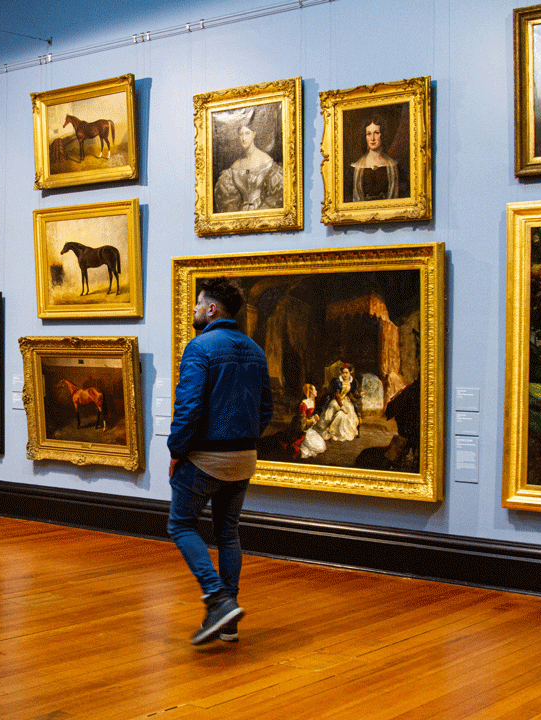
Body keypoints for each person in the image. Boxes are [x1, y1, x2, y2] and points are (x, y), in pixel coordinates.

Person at [167, 277, 273, 645]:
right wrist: (246, 441)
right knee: (227, 533)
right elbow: (266, 409)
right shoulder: (255, 350)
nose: (195, 309)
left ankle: (217, 599)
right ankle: (229, 622)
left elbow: (189, 407)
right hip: (245, 458)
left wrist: (176, 450)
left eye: (198, 304)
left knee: (180, 525)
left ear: (211, 309)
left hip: (206, 457)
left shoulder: (200, 348)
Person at [213, 120, 283, 213]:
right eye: (241, 134)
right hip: (241, 214)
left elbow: (276, 197)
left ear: (254, 134)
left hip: (262, 212)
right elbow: (228, 200)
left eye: (247, 133)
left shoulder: (265, 160)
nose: (244, 138)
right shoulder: (236, 165)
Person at [351, 114, 399, 201]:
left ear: (382, 134)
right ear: (365, 137)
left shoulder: (392, 165)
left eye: (376, 133)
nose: (372, 138)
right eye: (369, 134)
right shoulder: (357, 167)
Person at [318, 364, 361, 442]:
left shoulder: (352, 381)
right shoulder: (337, 381)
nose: (344, 375)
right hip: (337, 400)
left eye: (346, 373)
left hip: (346, 400)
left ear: (350, 372)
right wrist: (342, 406)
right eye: (343, 373)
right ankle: (329, 429)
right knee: (334, 406)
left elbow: (354, 393)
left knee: (350, 411)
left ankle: (343, 432)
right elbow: (337, 395)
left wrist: (360, 395)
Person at [292, 384, 326, 459]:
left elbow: (310, 416)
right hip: (302, 429)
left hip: (309, 427)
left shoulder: (312, 402)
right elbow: (302, 423)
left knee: (320, 446)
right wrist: (313, 419)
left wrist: (314, 417)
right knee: (316, 447)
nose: (316, 391)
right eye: (315, 390)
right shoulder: (304, 404)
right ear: (310, 391)